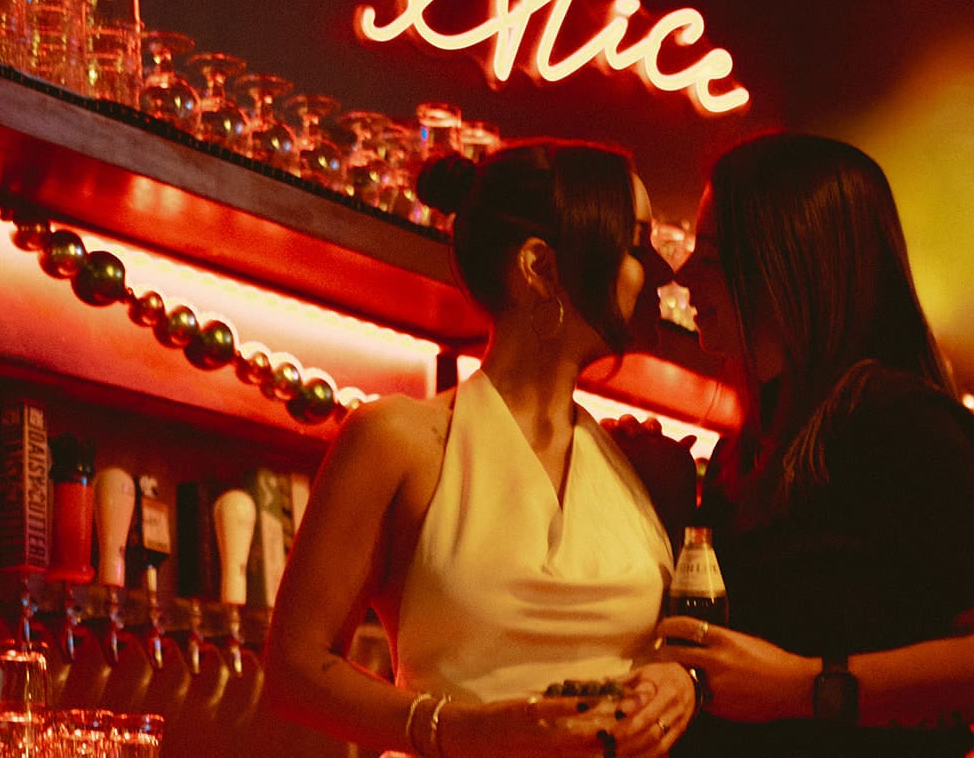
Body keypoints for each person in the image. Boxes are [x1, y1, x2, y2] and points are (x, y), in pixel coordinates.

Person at [264, 140, 699, 758]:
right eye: (635, 246)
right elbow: (295, 670)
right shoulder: (397, 439)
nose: (661, 272)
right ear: (539, 267)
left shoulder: (648, 465)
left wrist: (679, 676)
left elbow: (690, 643)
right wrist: (469, 732)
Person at [658, 133, 974, 758]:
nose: (683, 272)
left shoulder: (893, 421)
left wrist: (804, 687)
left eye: (713, 254)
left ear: (790, 262)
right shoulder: (756, 444)